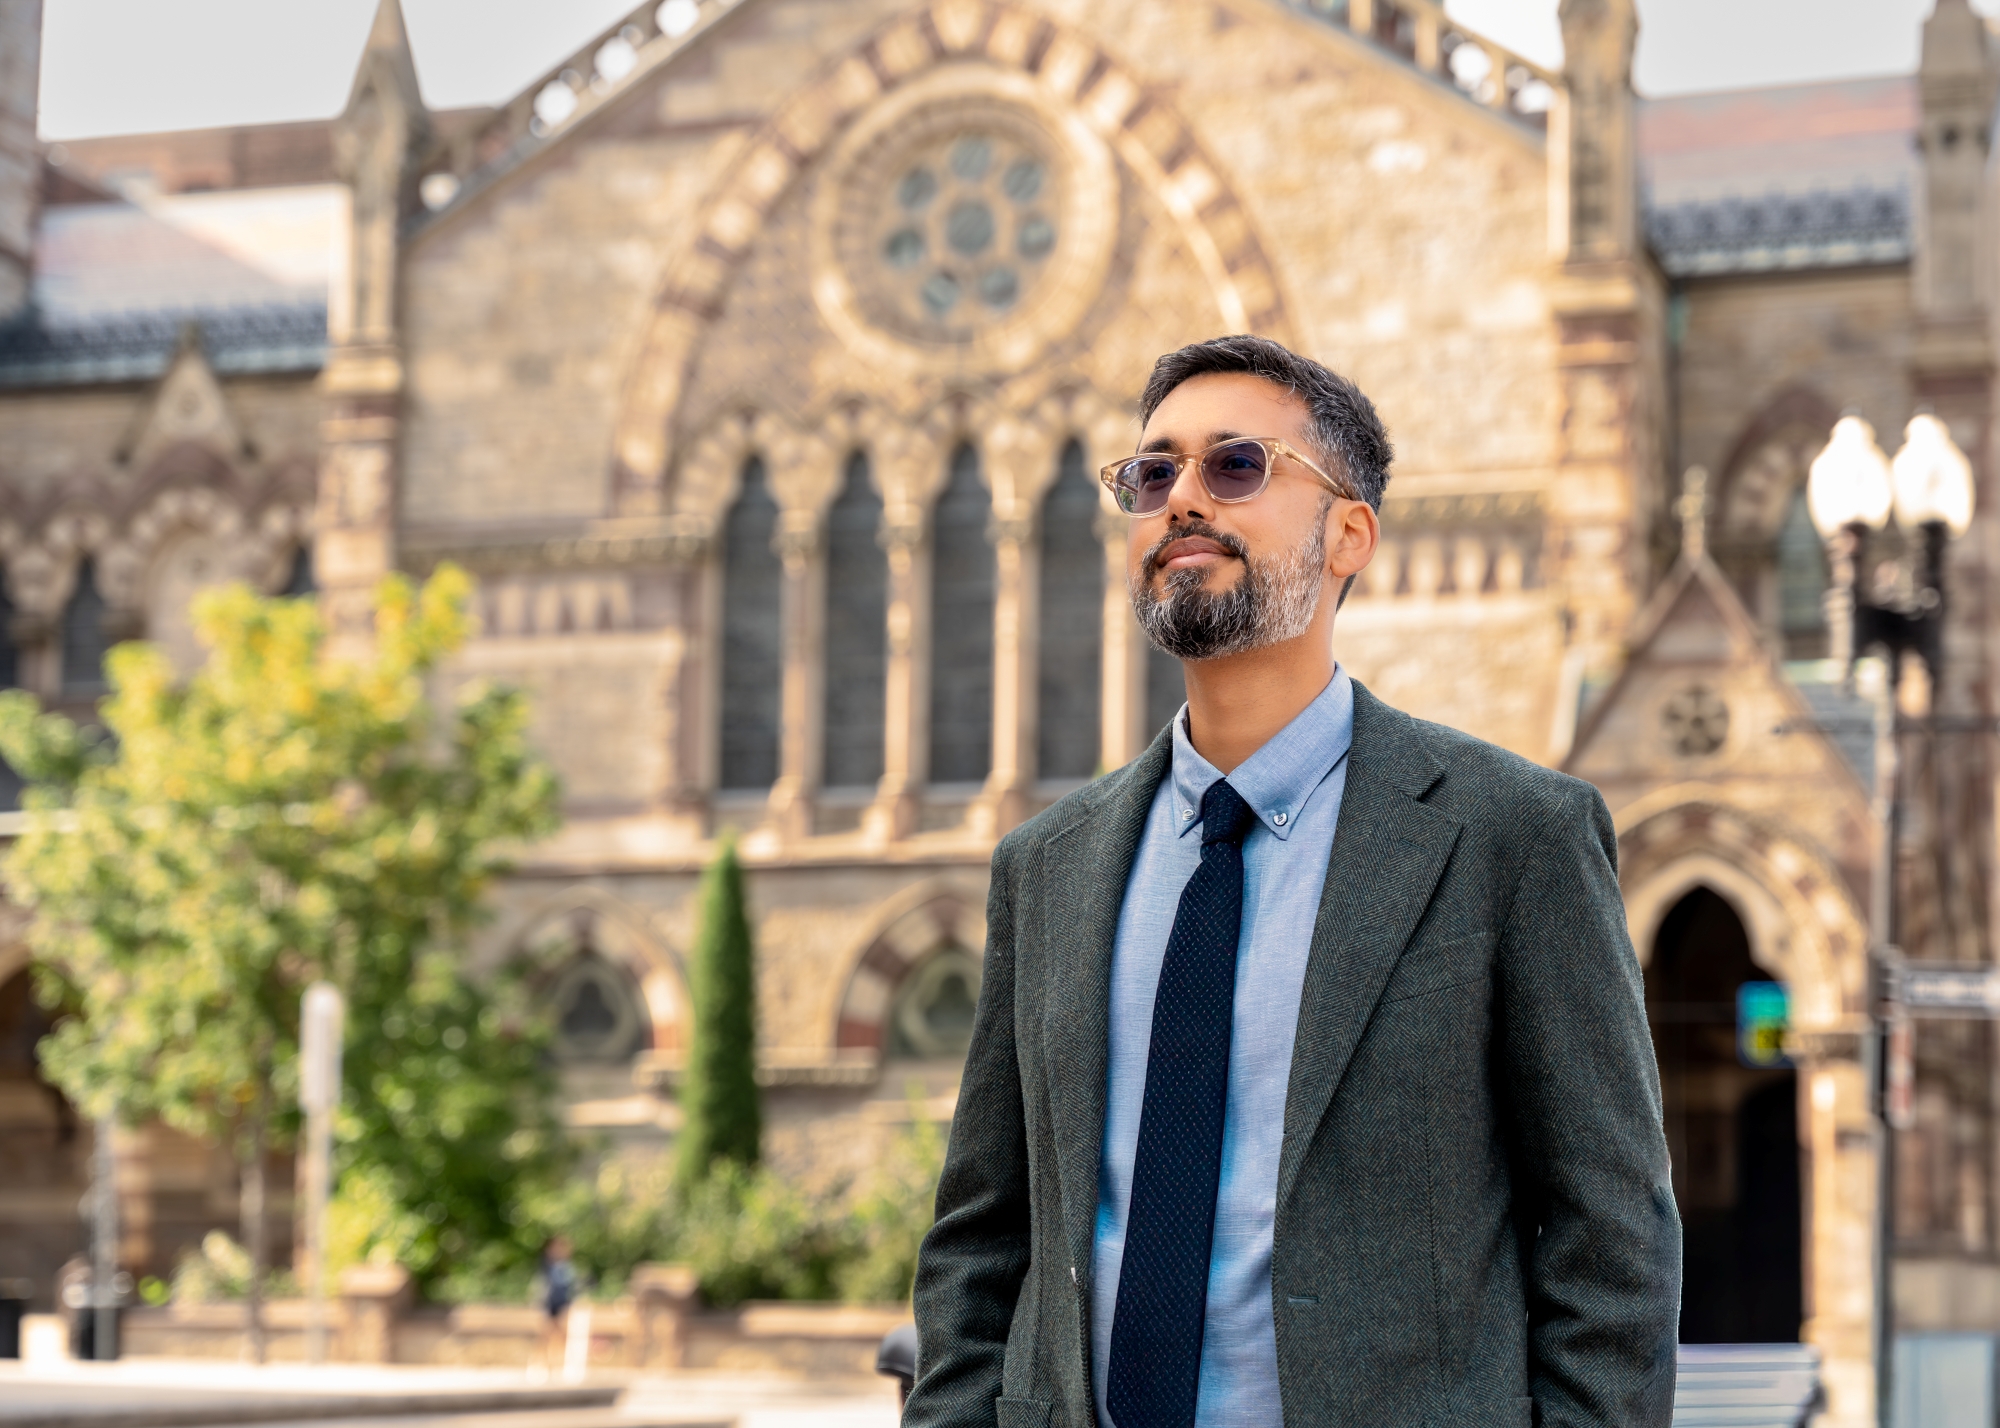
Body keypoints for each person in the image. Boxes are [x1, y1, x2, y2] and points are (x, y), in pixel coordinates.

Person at [904, 335, 1680, 1428]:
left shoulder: (1512, 836)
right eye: (1152, 472)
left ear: (1347, 535)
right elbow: (980, 1237)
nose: (1179, 498)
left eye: (1234, 466)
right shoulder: (1047, 868)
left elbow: (1611, 1235)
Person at [534, 1235, 578, 1379]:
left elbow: (570, 1288)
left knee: (561, 1335)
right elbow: (543, 1287)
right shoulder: (546, 1265)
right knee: (546, 1334)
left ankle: (559, 1365)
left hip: (562, 1304)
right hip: (548, 1303)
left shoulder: (567, 1267)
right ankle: (543, 1365)